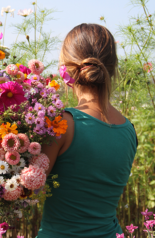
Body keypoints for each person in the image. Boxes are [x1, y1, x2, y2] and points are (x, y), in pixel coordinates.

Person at [37, 23, 137, 237]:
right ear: (114, 67)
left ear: (65, 70)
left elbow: (27, 186)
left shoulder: (63, 124)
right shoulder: (129, 129)